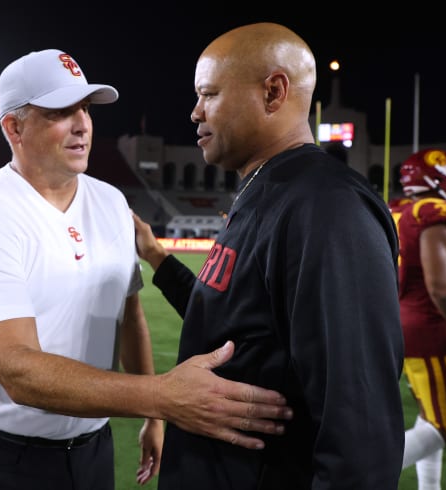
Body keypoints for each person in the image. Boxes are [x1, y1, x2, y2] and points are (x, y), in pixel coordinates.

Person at [0, 48, 293, 490]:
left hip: (91, 449)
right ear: (14, 127)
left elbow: (129, 319)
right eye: (60, 112)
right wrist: (162, 397)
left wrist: (152, 418)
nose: (82, 124)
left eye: (85, 108)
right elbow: (18, 371)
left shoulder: (109, 202)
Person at [132, 22, 405, 489]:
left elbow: (360, 433)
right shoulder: (268, 188)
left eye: (210, 94)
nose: (195, 111)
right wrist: (156, 257)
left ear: (274, 92)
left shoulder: (326, 207)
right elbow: (233, 321)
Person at [389, 148, 446, 489]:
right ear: (434, 176)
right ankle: (365, 475)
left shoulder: (400, 211)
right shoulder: (435, 212)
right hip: (428, 331)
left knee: (431, 419)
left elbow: (426, 273)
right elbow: (440, 287)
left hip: (400, 324)